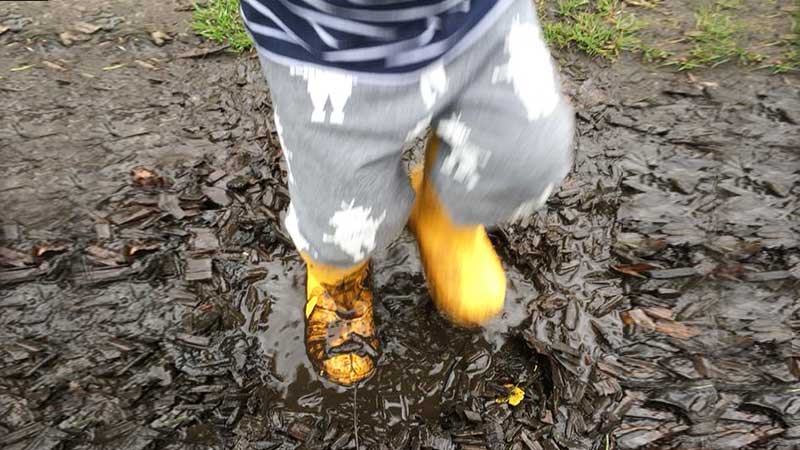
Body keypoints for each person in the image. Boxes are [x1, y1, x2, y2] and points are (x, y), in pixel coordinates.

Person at [240, 0, 574, 385]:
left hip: (483, 19)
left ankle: (445, 216)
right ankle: (338, 278)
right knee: (339, 212)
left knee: (527, 154)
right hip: (327, 45)